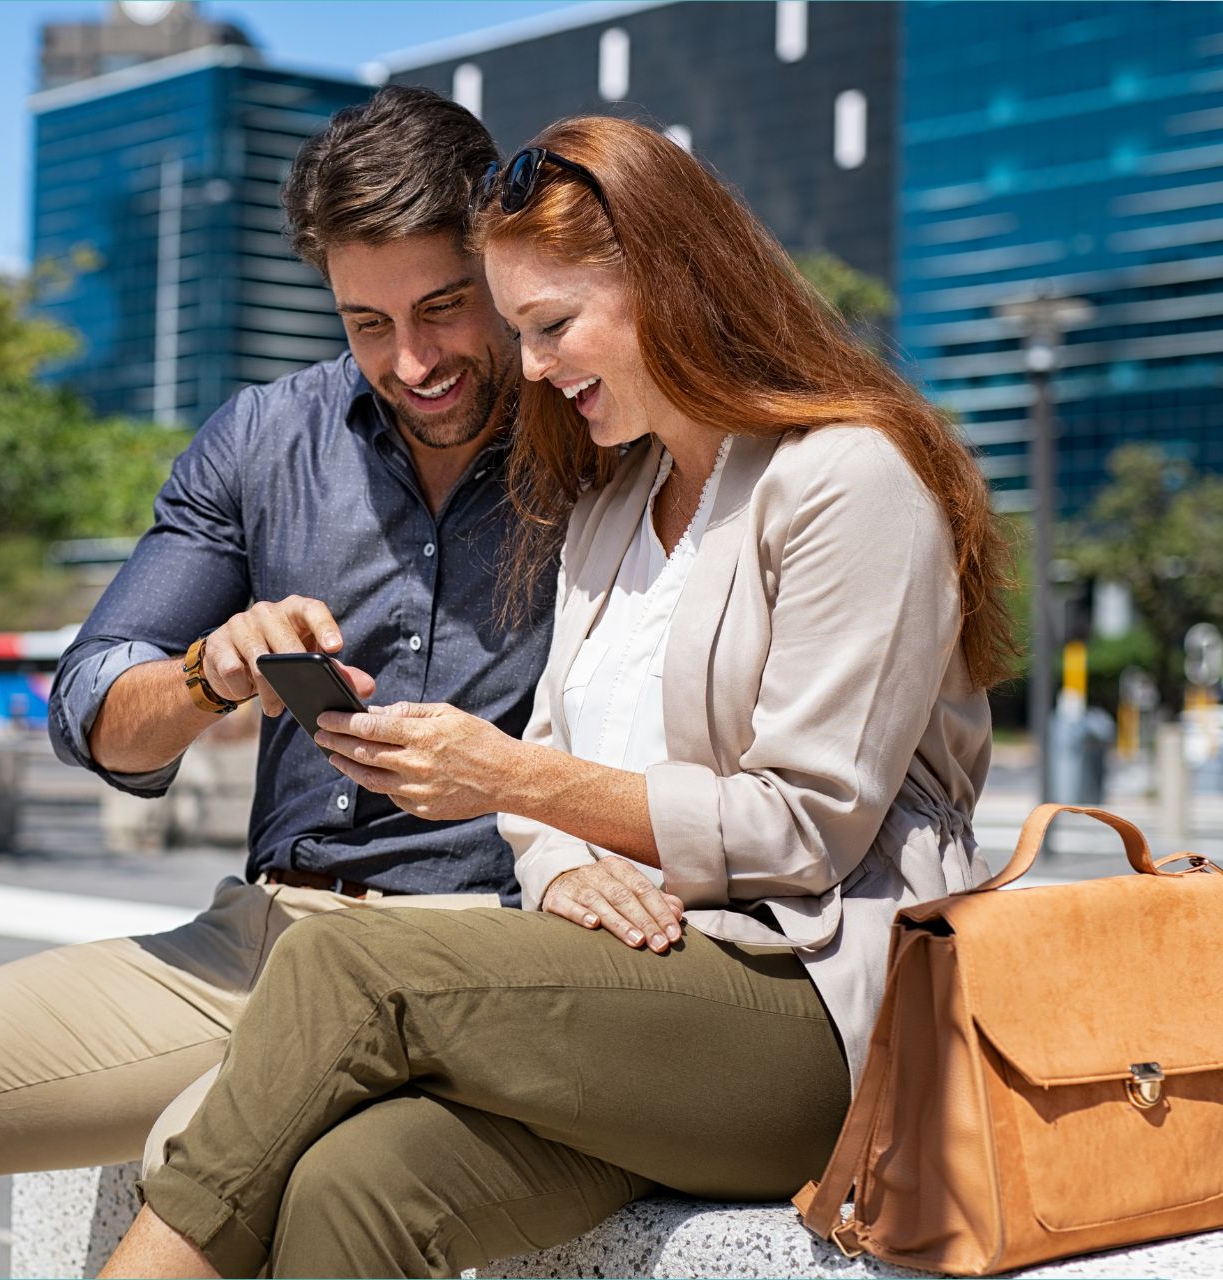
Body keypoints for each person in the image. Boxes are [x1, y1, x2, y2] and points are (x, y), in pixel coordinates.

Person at [102, 114, 1016, 1279]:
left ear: (674, 286)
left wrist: (509, 779)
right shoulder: (611, 500)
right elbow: (551, 771)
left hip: (816, 1011)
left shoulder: (846, 477)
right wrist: (560, 860)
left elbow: (801, 827)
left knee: (345, 966)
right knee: (354, 1185)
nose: (529, 366)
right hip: (637, 993)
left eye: (553, 324)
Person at [0, 86, 557, 1279]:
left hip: (477, 954)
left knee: (205, 1164)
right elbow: (92, 707)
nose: (414, 359)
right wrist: (210, 669)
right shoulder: (264, 439)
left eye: (445, 309)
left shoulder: (599, 429)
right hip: (265, 939)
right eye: (367, 323)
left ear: (499, 263)